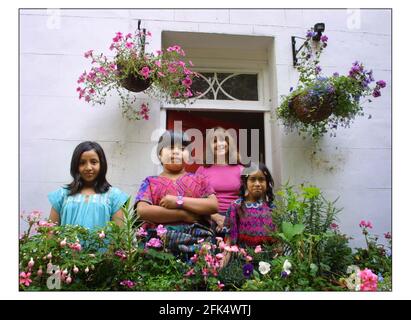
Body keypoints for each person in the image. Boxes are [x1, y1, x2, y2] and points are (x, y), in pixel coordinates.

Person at [134, 130, 218, 253]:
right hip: (159, 249)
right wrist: (182, 215)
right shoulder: (150, 182)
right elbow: (142, 211)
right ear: (159, 154)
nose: (176, 152)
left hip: (197, 247)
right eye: (170, 147)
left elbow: (213, 205)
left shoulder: (200, 179)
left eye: (183, 148)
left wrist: (179, 201)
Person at [48, 141, 129, 230]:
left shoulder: (114, 196)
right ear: (75, 166)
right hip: (66, 244)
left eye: (94, 162)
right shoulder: (62, 195)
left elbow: (119, 236)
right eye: (82, 163)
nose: (88, 168)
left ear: (102, 164)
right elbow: (50, 233)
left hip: (101, 244)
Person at [222, 162, 276, 266]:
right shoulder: (236, 207)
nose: (257, 184)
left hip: (268, 264)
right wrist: (222, 265)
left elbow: (278, 243)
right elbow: (229, 240)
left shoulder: (272, 209)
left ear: (267, 182)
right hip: (242, 263)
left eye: (261, 179)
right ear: (245, 182)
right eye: (252, 179)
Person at [195, 127, 243, 236]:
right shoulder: (202, 170)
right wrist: (216, 217)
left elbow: (247, 199)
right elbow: (196, 200)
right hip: (209, 219)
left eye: (223, 140)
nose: (219, 144)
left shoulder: (241, 170)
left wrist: (231, 219)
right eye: (214, 141)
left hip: (237, 219)